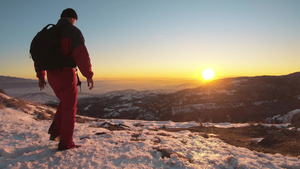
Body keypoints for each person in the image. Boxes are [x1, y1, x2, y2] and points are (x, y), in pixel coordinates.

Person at [35, 8, 94, 151]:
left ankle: (55, 131)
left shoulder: (49, 33)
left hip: (52, 76)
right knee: (70, 109)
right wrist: (89, 75)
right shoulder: (73, 32)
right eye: (75, 21)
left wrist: (41, 76)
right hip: (66, 75)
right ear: (73, 19)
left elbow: (39, 56)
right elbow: (82, 55)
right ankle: (66, 143)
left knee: (64, 103)